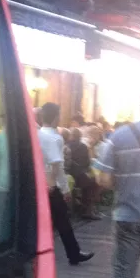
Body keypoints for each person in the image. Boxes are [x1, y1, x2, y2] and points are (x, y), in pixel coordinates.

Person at [95, 92, 140, 278]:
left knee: (123, 277)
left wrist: (124, 185)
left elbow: (103, 180)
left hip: (128, 216)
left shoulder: (120, 137)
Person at [38, 103, 93, 266]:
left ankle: (43, 254)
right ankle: (73, 253)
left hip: (39, 183)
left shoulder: (37, 135)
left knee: (43, 221)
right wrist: (65, 188)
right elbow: (57, 165)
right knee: (63, 220)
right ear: (56, 117)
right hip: (52, 185)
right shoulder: (55, 138)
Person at [67, 127, 100, 220]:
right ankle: (87, 210)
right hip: (78, 174)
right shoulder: (83, 146)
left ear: (71, 136)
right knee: (92, 183)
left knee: (88, 182)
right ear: (80, 136)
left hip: (69, 173)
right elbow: (87, 163)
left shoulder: (66, 145)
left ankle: (82, 205)